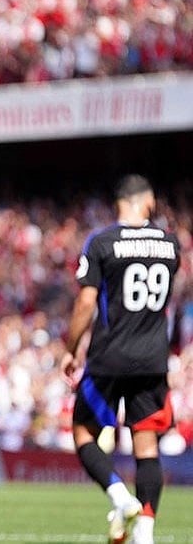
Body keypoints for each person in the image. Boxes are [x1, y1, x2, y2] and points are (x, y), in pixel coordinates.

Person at [61, 174, 181, 544]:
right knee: (147, 448)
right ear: (146, 202)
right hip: (152, 360)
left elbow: (86, 301)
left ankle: (119, 495)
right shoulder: (170, 244)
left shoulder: (102, 241)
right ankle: (145, 531)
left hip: (108, 357)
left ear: (119, 203)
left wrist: (70, 347)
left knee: (83, 433)